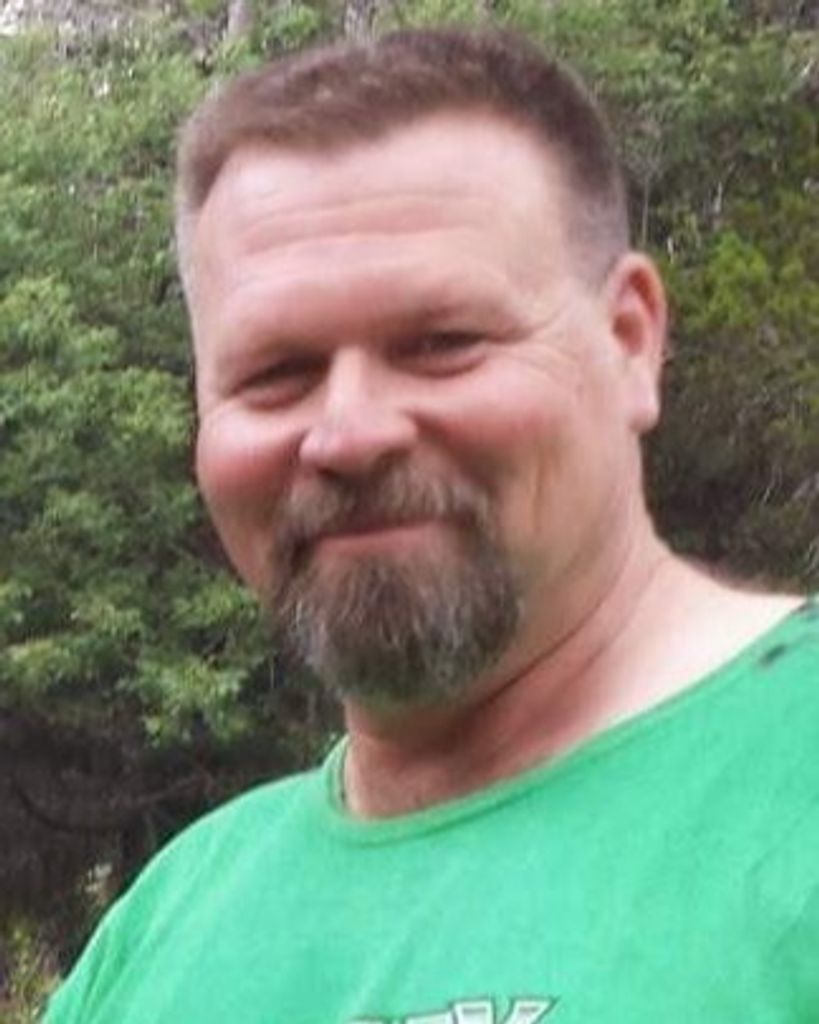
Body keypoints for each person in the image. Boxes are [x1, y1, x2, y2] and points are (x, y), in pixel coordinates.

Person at [44, 27, 818, 1024]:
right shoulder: (167, 929)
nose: (349, 434)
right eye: (276, 374)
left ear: (630, 341)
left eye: (442, 343)